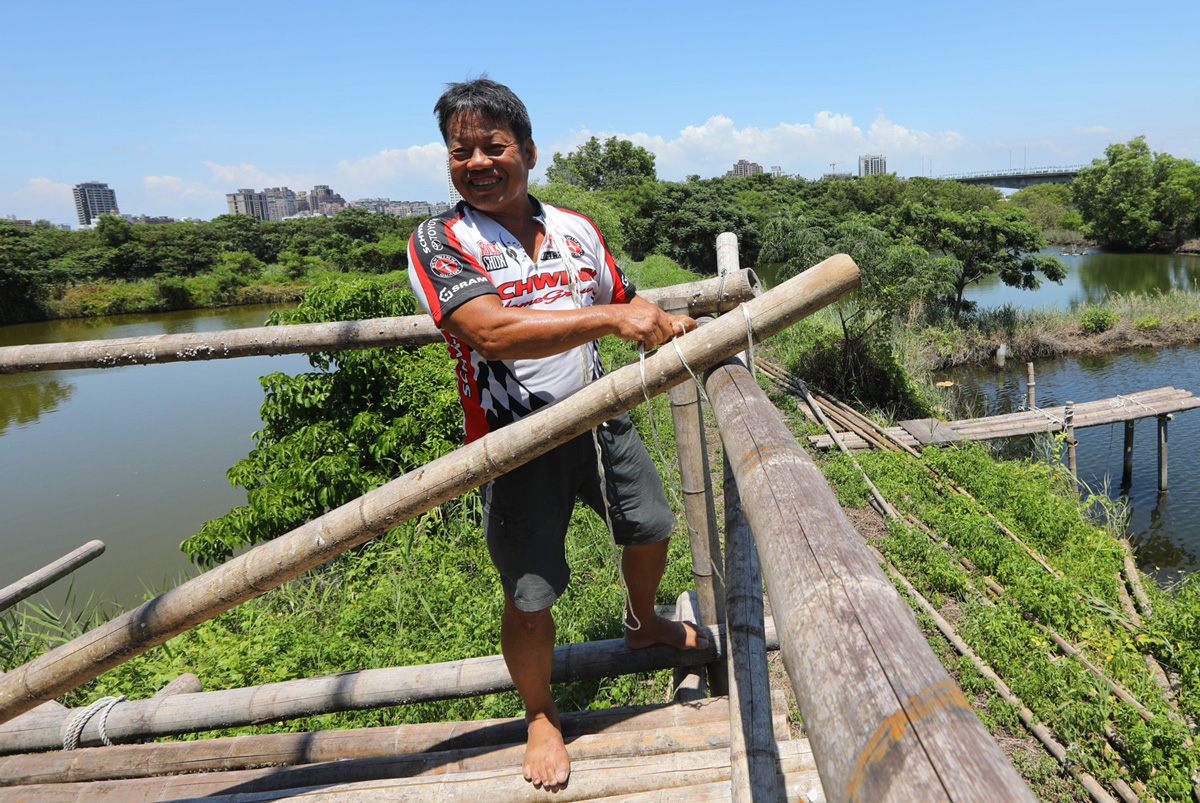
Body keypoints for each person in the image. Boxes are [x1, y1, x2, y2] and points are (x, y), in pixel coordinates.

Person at [406, 78, 709, 790]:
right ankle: (540, 714)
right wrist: (612, 321)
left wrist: (661, 318)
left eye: (493, 146)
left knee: (651, 526)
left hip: (599, 414)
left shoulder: (575, 227)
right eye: (460, 151)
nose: (477, 162)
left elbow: (623, 295)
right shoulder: (440, 239)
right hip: (516, 441)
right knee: (532, 591)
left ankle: (643, 622)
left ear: (528, 151)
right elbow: (489, 331)